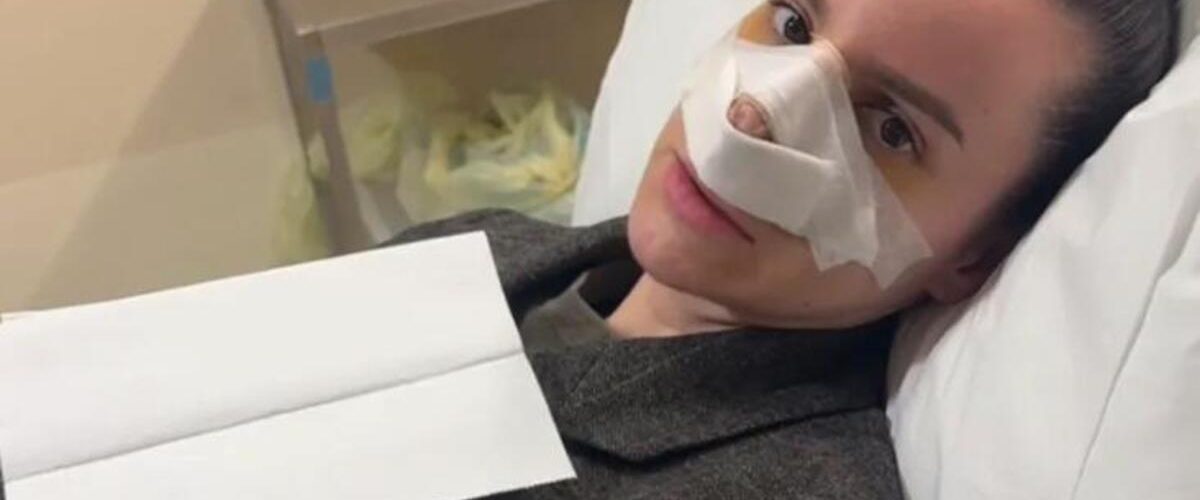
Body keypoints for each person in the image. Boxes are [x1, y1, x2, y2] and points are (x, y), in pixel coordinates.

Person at [388, 0, 1178, 497]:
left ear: (971, 257)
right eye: (794, 23)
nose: (753, 113)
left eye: (890, 128)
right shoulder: (481, 247)